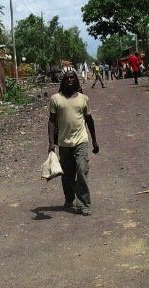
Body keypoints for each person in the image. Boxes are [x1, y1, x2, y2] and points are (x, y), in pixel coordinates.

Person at [48, 71, 99, 216]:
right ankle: (69, 198)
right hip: (64, 143)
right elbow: (51, 121)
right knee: (67, 175)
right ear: (62, 81)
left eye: (72, 77)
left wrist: (94, 141)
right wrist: (51, 143)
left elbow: (89, 120)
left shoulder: (84, 99)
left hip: (81, 140)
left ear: (76, 80)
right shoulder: (55, 99)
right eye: (67, 78)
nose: (69, 80)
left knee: (82, 171)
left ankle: (83, 204)